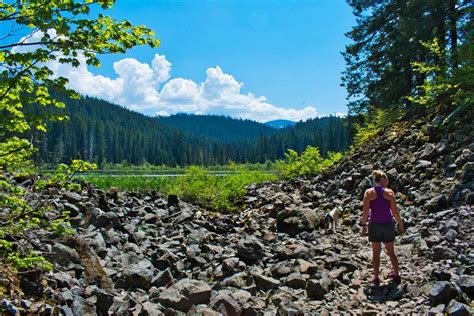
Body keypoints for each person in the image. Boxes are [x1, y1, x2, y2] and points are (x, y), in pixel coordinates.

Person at [360, 170, 405, 285]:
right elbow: (394, 211)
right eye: (386, 179)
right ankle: (396, 274)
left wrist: (364, 226)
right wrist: (400, 223)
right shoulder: (390, 193)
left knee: (376, 253)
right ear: (381, 180)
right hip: (388, 224)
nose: (388, 181)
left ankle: (375, 277)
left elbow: (365, 212)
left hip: (374, 225)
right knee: (391, 251)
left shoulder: (368, 193)